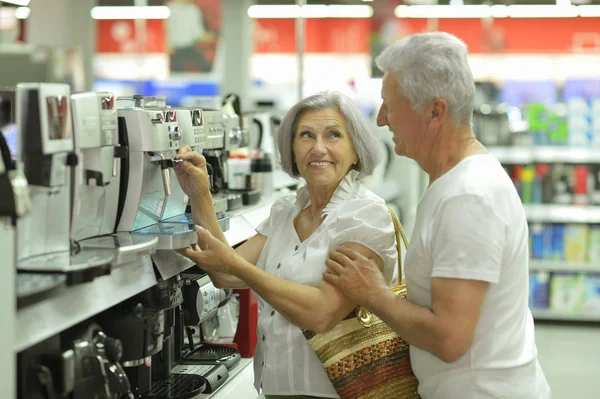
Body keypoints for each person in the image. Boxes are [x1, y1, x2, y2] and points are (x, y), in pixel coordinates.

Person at [323, 32, 552, 398]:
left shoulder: (468, 197)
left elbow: (449, 338)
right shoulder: (452, 183)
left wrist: (373, 294)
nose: (381, 120)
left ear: (435, 111)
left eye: (390, 106)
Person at [174, 91, 398, 399]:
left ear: (356, 150)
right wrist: (199, 192)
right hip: (276, 391)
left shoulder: (364, 215)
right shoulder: (286, 212)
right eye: (306, 135)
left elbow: (323, 313)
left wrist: (235, 264)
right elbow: (225, 275)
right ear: (292, 150)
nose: (318, 148)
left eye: (333, 135)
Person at [166, 0, 213, 72]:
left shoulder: (194, 10)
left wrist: (209, 37)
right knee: (177, 72)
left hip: (189, 47)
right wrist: (168, 45)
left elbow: (197, 32)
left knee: (206, 67)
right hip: (175, 48)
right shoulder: (171, 8)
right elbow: (166, 29)